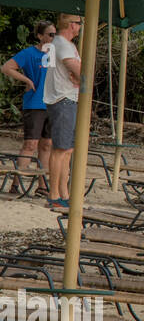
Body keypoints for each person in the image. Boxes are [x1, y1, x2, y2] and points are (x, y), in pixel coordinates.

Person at [2, 20, 55, 181]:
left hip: (53, 104)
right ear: (40, 36)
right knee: (30, 144)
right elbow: (6, 67)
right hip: (35, 104)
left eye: (55, 34)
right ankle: (17, 182)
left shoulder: (57, 54)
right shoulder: (29, 53)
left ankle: (42, 185)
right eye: (50, 34)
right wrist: (26, 80)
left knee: (47, 145)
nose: (54, 37)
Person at [42, 12, 83, 209]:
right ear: (71, 25)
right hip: (62, 98)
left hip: (68, 97)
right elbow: (80, 71)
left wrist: (78, 75)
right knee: (60, 149)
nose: (81, 26)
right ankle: (54, 194)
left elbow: (78, 73)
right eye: (79, 22)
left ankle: (64, 192)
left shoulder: (65, 45)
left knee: (68, 149)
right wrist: (79, 75)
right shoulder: (61, 44)